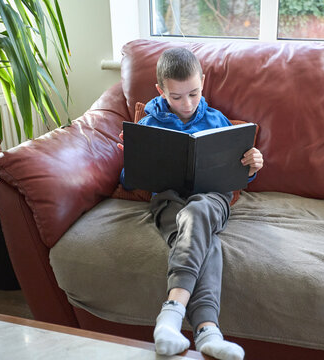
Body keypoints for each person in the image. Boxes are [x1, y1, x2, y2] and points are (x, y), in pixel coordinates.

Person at [117, 47, 264, 360]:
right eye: (177, 97)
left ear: (203, 83)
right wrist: (132, 156)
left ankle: (171, 313)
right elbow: (129, 180)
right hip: (168, 202)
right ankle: (207, 331)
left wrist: (250, 167)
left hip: (212, 199)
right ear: (161, 91)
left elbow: (237, 176)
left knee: (197, 211)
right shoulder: (148, 124)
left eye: (194, 94)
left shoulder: (218, 120)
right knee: (203, 242)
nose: (187, 104)